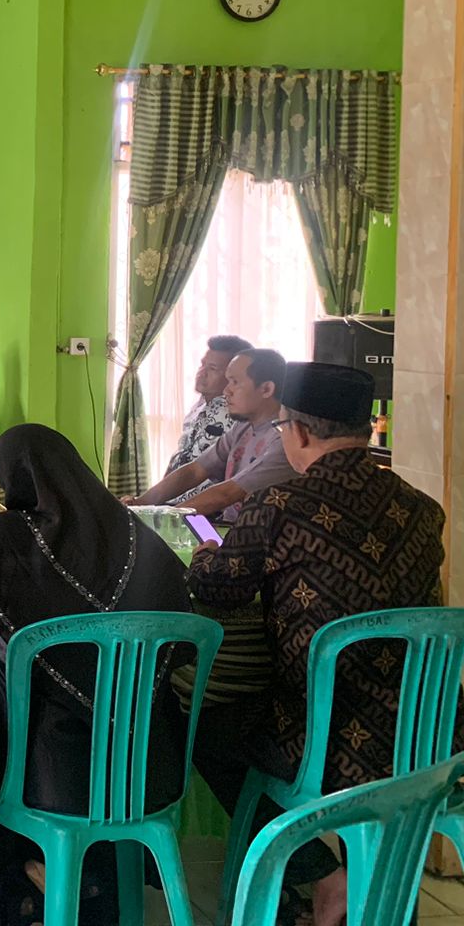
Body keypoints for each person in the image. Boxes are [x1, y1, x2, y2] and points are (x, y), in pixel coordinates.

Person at [187, 362, 447, 926]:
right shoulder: (424, 510)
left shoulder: (279, 505)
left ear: (298, 432)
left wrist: (207, 554)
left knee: (206, 732)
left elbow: (217, 591)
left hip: (322, 737)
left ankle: (321, 876)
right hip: (428, 733)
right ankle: (366, 876)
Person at [0, 424, 191, 925]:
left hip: (49, 771)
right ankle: (84, 874)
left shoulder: (4, 536)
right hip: (148, 760)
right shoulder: (137, 534)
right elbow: (182, 632)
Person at [129, 347, 295, 524]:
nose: (226, 391)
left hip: (258, 538)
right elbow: (195, 471)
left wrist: (163, 521)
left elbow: (226, 494)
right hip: (227, 527)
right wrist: (140, 504)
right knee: (185, 535)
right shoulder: (243, 427)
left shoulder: (286, 438)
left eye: (235, 382)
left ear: (266, 389)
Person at [165, 334, 252, 487]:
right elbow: (180, 456)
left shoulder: (239, 416)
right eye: (202, 365)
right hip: (173, 498)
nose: (202, 373)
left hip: (205, 504)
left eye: (212, 369)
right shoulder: (199, 406)